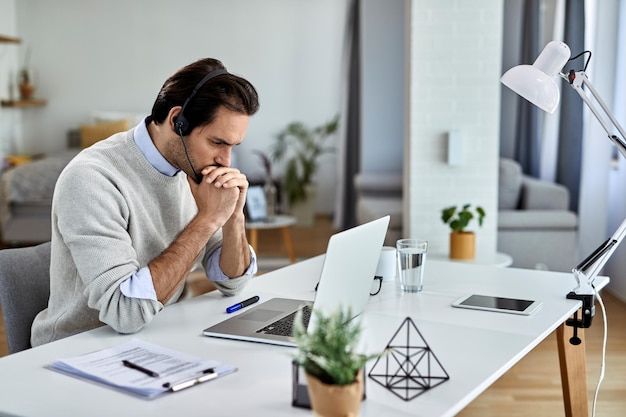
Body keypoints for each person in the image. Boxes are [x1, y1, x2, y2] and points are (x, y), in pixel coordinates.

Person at [31, 58, 260, 346]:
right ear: (178, 121)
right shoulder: (92, 178)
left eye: (232, 146)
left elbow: (233, 281)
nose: (226, 161)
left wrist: (233, 216)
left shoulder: (193, 171)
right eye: (217, 143)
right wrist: (208, 220)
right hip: (80, 348)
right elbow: (125, 313)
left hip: (157, 336)